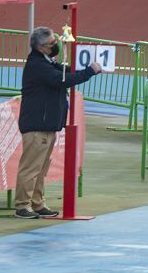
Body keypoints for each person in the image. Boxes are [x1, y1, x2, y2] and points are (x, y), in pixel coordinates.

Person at [14, 26, 101, 219]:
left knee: (41, 168)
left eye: (56, 42)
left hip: (47, 124)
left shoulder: (47, 62)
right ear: (40, 47)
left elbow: (65, 71)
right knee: (31, 168)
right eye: (52, 44)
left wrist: (81, 65)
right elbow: (62, 80)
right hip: (38, 125)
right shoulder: (38, 66)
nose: (56, 46)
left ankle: (37, 203)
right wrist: (89, 72)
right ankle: (22, 206)